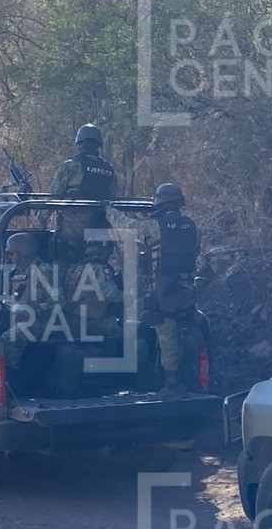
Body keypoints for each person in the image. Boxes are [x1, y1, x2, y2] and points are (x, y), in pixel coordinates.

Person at [106, 183, 200, 398]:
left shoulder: (155, 226)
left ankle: (172, 384)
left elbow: (127, 225)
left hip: (164, 290)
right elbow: (195, 252)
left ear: (160, 202)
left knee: (165, 334)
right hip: (186, 289)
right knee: (177, 330)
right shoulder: (193, 226)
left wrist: (109, 211)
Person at [1, 232, 61, 370]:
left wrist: (31, 310)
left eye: (10, 254)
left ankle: (13, 378)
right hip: (19, 321)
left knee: (8, 339)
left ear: (20, 253)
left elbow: (58, 302)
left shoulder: (44, 270)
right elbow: (5, 294)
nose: (8, 257)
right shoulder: (16, 272)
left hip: (41, 322)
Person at [48, 124, 117, 199]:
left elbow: (53, 197)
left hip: (73, 210)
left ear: (80, 144)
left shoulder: (70, 166)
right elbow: (112, 198)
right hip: (102, 211)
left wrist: (38, 210)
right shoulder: (109, 169)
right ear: (98, 145)